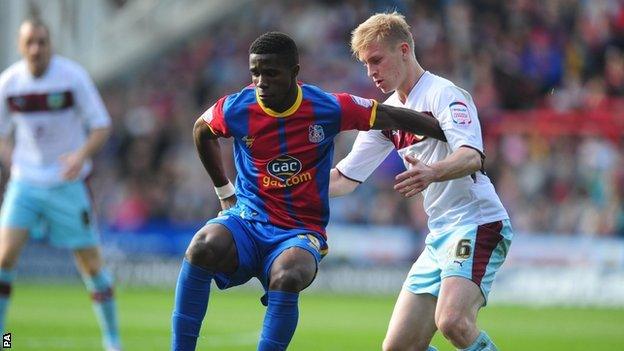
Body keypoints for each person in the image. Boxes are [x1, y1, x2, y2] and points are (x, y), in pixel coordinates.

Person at [171, 31, 447, 351]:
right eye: (255, 73)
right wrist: (224, 191)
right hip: (246, 219)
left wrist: (447, 134)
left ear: (294, 73)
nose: (261, 81)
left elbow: (387, 115)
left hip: (299, 230)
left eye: (270, 73)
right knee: (202, 246)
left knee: (287, 275)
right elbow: (201, 130)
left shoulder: (326, 107)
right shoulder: (237, 107)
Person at [329, 12, 513, 351]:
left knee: (453, 322)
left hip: (477, 222)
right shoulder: (387, 113)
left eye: (376, 61)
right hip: (440, 234)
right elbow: (344, 178)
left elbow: (473, 155)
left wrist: (432, 171)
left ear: (403, 50)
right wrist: (288, 187)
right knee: (397, 348)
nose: (371, 73)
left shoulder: (445, 95)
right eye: (366, 66)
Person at [0, 19, 121, 351]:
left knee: (91, 264)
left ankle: (112, 342)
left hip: (67, 183)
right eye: (30, 42)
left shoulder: (72, 77)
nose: (37, 48)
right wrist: (9, 155)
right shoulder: (9, 83)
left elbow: (101, 125)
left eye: (42, 42)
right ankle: (3, 340)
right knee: (3, 259)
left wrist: (80, 155)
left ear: (50, 44)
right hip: (25, 182)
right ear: (20, 45)